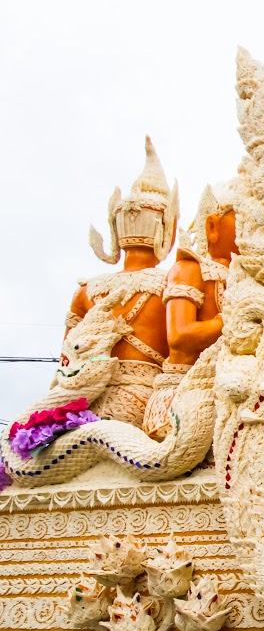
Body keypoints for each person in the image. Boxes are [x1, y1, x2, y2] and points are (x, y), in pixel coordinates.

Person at [64, 137, 179, 426]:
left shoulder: (86, 290)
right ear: (164, 232)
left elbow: (65, 363)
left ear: (116, 233)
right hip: (145, 402)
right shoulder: (171, 284)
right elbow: (182, 349)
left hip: (82, 405)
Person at [144, 181, 239, 437]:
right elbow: (180, 336)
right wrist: (232, 320)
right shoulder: (190, 269)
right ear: (212, 227)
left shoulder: (245, 279)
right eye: (243, 218)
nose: (253, 229)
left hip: (231, 388)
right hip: (184, 393)